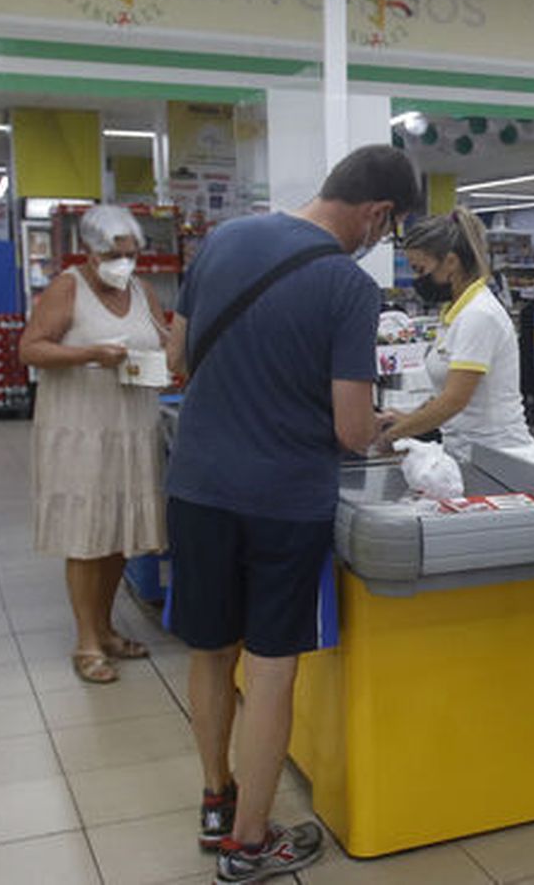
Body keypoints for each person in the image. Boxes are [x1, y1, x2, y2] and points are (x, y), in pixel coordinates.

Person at [163, 144, 421, 884]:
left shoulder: (225, 239)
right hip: (283, 501)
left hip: (197, 486)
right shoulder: (348, 286)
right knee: (271, 669)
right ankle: (250, 846)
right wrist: (383, 426)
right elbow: (349, 430)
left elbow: (178, 354)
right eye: (389, 227)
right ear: (377, 214)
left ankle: (217, 802)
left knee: (211, 650)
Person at [20, 204, 169, 685]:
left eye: (132, 254)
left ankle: (105, 629)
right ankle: (86, 640)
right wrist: (89, 353)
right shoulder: (68, 288)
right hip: (81, 428)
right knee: (86, 535)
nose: (125, 264)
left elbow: (165, 341)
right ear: (89, 250)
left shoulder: (142, 291)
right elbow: (30, 347)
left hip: (132, 426)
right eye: (115, 254)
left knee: (118, 531)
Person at [377, 209, 533, 458]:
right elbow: (444, 395)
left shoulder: (478, 315)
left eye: (421, 270)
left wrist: (392, 435)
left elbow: (454, 400)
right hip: (464, 453)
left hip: (498, 456)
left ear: (451, 262)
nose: (418, 280)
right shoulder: (454, 313)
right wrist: (407, 419)